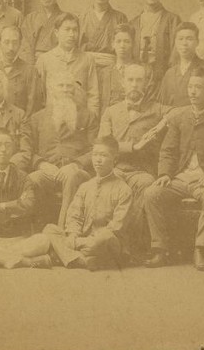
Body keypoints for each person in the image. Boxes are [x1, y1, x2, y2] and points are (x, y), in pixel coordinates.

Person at [143, 72, 204, 271]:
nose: (192, 92)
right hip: (180, 178)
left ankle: (201, 250)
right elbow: (168, 150)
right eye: (190, 87)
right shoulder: (179, 117)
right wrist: (165, 174)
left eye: (198, 87)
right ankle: (160, 249)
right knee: (151, 194)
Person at [99, 63, 173, 257]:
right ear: (122, 83)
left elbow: (176, 112)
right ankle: (109, 241)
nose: (134, 84)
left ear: (146, 83)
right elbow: (104, 144)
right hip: (116, 168)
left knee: (146, 184)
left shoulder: (156, 109)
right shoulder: (111, 111)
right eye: (130, 80)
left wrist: (160, 126)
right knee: (108, 183)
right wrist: (134, 146)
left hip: (141, 171)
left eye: (139, 80)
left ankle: (128, 244)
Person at [43, 137, 134, 270]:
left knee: (104, 238)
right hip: (84, 240)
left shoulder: (123, 190)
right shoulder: (85, 187)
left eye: (103, 155)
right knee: (50, 229)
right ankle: (83, 260)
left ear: (115, 159)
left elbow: (117, 227)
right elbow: (75, 215)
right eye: (95, 155)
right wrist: (73, 235)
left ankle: (68, 255)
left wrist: (80, 242)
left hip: (106, 241)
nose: (98, 160)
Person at [0, 131, 53, 269]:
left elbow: (28, 205)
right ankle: (24, 262)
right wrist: (16, 207)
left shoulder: (23, 177)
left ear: (13, 149)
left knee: (43, 240)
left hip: (20, 240)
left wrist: (1, 206)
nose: (3, 149)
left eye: (7, 145)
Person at [27, 73, 94, 226]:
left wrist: (77, 164)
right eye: (60, 86)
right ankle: (38, 230)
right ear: (52, 89)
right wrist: (41, 164)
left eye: (69, 86)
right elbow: (29, 150)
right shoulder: (37, 118)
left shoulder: (88, 116)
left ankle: (63, 228)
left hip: (76, 170)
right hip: (48, 170)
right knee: (32, 180)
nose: (65, 89)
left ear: (74, 89)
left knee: (70, 176)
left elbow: (95, 149)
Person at [31, 12, 100, 122]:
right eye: (67, 29)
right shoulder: (44, 60)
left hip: (80, 120)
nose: (71, 34)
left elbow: (93, 94)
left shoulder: (87, 59)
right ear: (56, 32)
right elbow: (38, 96)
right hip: (52, 120)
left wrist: (92, 120)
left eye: (75, 30)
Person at [130, 0, 181, 72]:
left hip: (163, 72)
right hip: (138, 73)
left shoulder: (173, 20)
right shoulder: (133, 23)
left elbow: (177, 51)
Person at [80, 0, 129, 68]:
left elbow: (126, 47)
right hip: (85, 66)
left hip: (112, 67)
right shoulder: (81, 18)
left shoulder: (120, 18)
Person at [157, 22, 204, 107]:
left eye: (189, 39)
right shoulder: (170, 73)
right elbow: (161, 105)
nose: (184, 43)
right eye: (180, 39)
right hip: (171, 115)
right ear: (175, 42)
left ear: (197, 42)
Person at [20, 0, 65, 65]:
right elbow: (25, 48)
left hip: (58, 64)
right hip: (34, 64)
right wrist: (32, 68)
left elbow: (69, 47)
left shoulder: (65, 18)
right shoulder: (30, 19)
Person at [0, 24, 35, 115]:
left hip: (21, 122)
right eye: (6, 42)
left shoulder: (30, 71)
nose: (11, 48)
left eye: (15, 43)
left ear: (20, 44)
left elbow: (33, 106)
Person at [99, 23, 140, 109]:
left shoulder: (143, 71)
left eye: (126, 41)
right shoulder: (104, 73)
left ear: (133, 44)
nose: (122, 46)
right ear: (113, 44)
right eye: (118, 41)